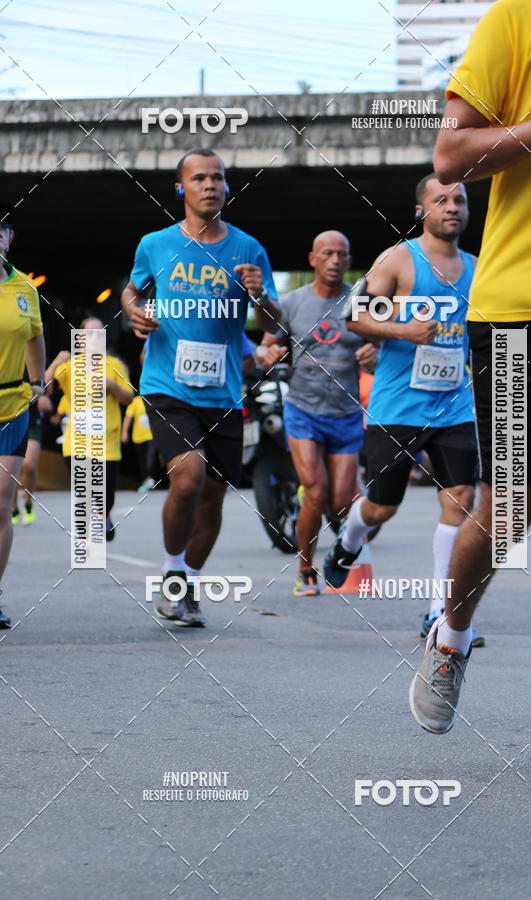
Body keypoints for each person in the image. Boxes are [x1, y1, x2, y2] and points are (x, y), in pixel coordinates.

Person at [409, 0, 531, 734]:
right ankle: (451, 637)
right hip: (522, 317)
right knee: (511, 509)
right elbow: (451, 157)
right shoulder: (519, 18)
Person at [121, 148, 280, 626]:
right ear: (181, 188)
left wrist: (260, 295)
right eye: (199, 178)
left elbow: (273, 325)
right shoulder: (155, 244)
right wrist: (133, 310)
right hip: (167, 384)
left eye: (218, 177)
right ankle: (172, 575)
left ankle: (187, 582)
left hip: (224, 392)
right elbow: (132, 290)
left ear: (227, 186)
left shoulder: (249, 249)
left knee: (212, 498)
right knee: (188, 478)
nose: (210, 185)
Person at [324, 176, 484, 647]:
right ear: (421, 210)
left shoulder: (478, 268)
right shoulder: (398, 259)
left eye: (459, 200)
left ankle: (439, 610)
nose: (452, 207)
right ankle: (349, 540)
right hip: (398, 407)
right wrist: (404, 330)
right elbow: (354, 316)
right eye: (441, 200)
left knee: (460, 498)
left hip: (454, 405)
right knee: (382, 507)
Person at [257, 231, 377, 595]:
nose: (335, 260)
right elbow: (265, 346)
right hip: (304, 411)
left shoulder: (361, 301)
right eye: (327, 253)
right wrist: (267, 355)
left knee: (339, 504)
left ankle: (332, 539)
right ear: (312, 259)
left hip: (345, 413)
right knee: (315, 491)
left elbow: (383, 346)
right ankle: (305, 569)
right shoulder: (292, 302)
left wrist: (374, 353)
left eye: (342, 254)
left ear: (349, 259)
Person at [46, 317, 134, 541]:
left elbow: (128, 398)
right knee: (83, 491)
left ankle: (104, 514)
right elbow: (43, 390)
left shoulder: (114, 366)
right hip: (76, 441)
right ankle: (83, 537)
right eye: (89, 333)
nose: (94, 338)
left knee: (106, 497)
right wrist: (56, 362)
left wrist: (112, 385)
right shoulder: (69, 367)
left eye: (99, 333)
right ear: (80, 338)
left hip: (107, 443)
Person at [0, 217, 45, 627]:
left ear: (8, 239)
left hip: (11, 404)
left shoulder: (24, 288)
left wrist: (37, 381)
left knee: (1, 503)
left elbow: (34, 335)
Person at [11, 388, 53, 525]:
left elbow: (44, 388)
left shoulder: (33, 373)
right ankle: (13, 507)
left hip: (31, 420)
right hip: (8, 420)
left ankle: (28, 502)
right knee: (11, 469)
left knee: (29, 465)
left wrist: (41, 394)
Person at [121, 394, 159, 492]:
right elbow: (128, 417)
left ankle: (151, 478)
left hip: (152, 435)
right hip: (139, 437)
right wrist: (124, 432)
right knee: (143, 460)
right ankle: (146, 480)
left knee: (151, 457)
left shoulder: (154, 400)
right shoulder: (135, 401)